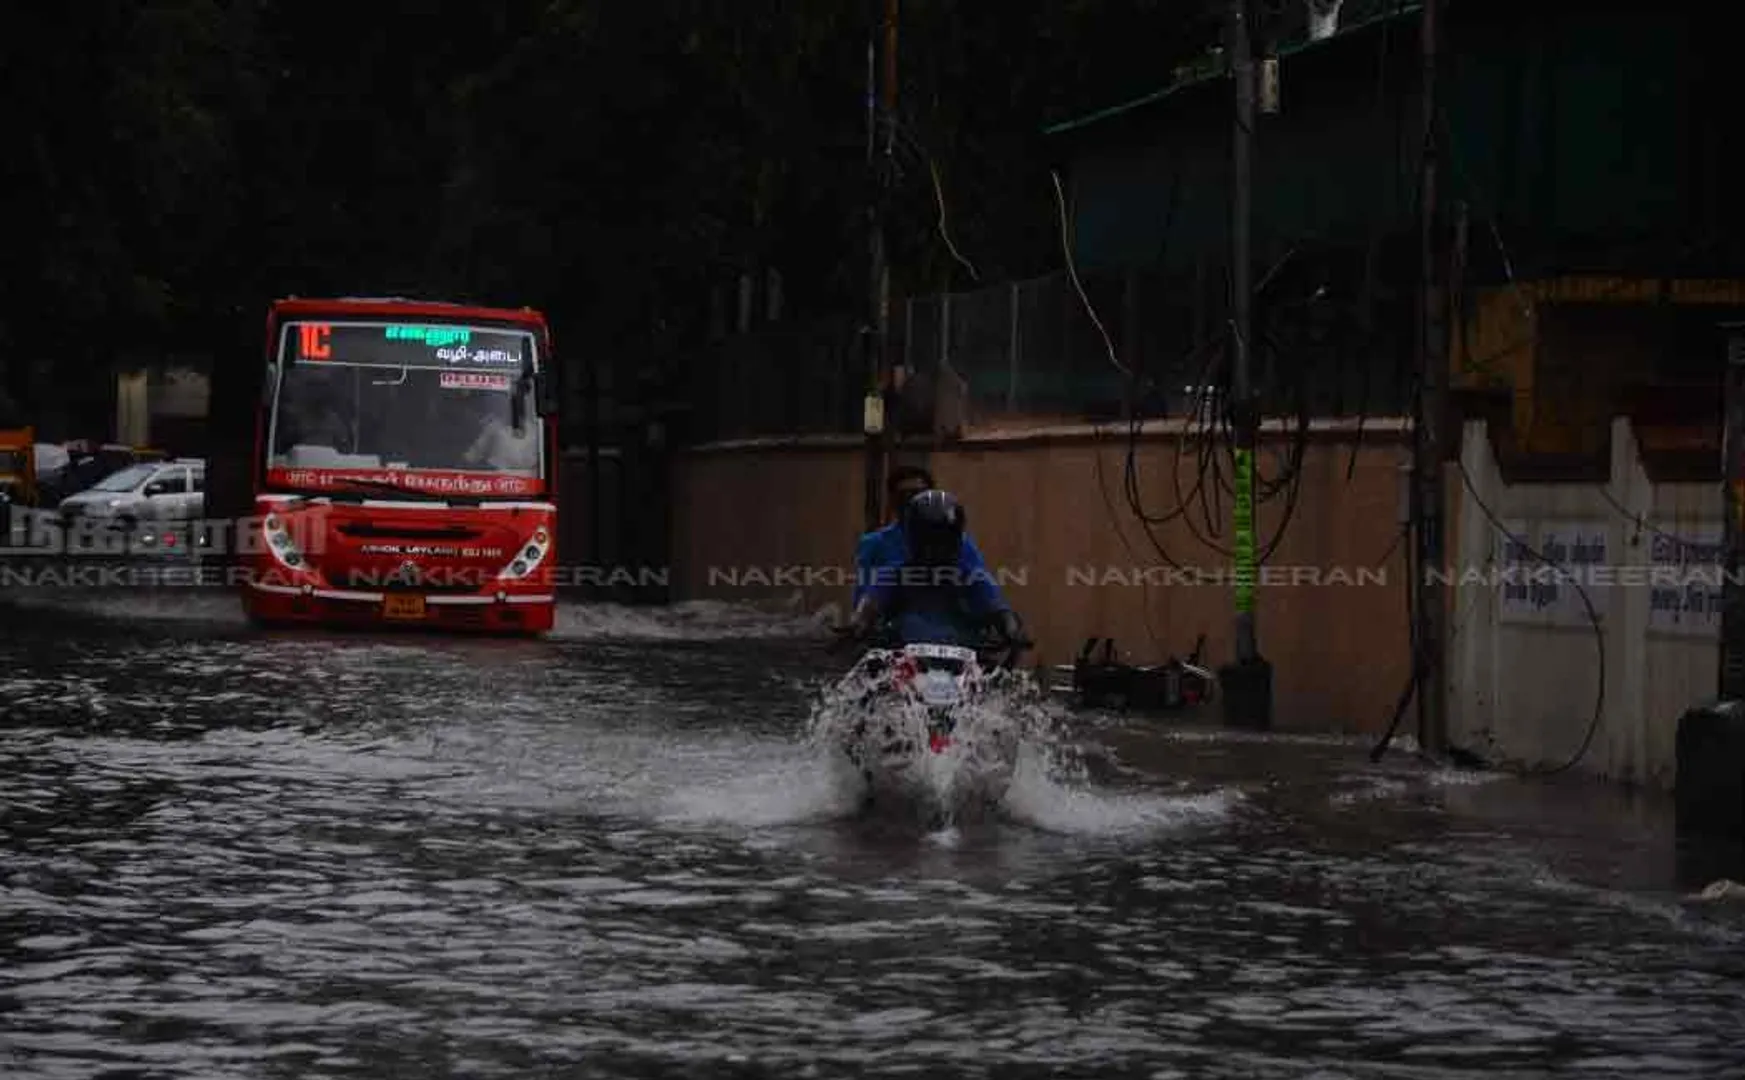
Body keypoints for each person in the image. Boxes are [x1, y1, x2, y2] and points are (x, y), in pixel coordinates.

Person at [849, 487, 1024, 648]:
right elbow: (869, 606)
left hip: (964, 665)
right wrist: (859, 624)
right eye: (929, 543)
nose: (935, 551)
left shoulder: (972, 577)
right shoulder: (892, 576)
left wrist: (1011, 629)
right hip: (901, 664)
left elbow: (998, 608)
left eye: (943, 543)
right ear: (913, 540)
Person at [852, 465, 986, 608]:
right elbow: (864, 595)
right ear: (892, 500)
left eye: (917, 494)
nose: (910, 501)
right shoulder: (874, 544)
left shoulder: (960, 541)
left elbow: (980, 584)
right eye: (903, 495)